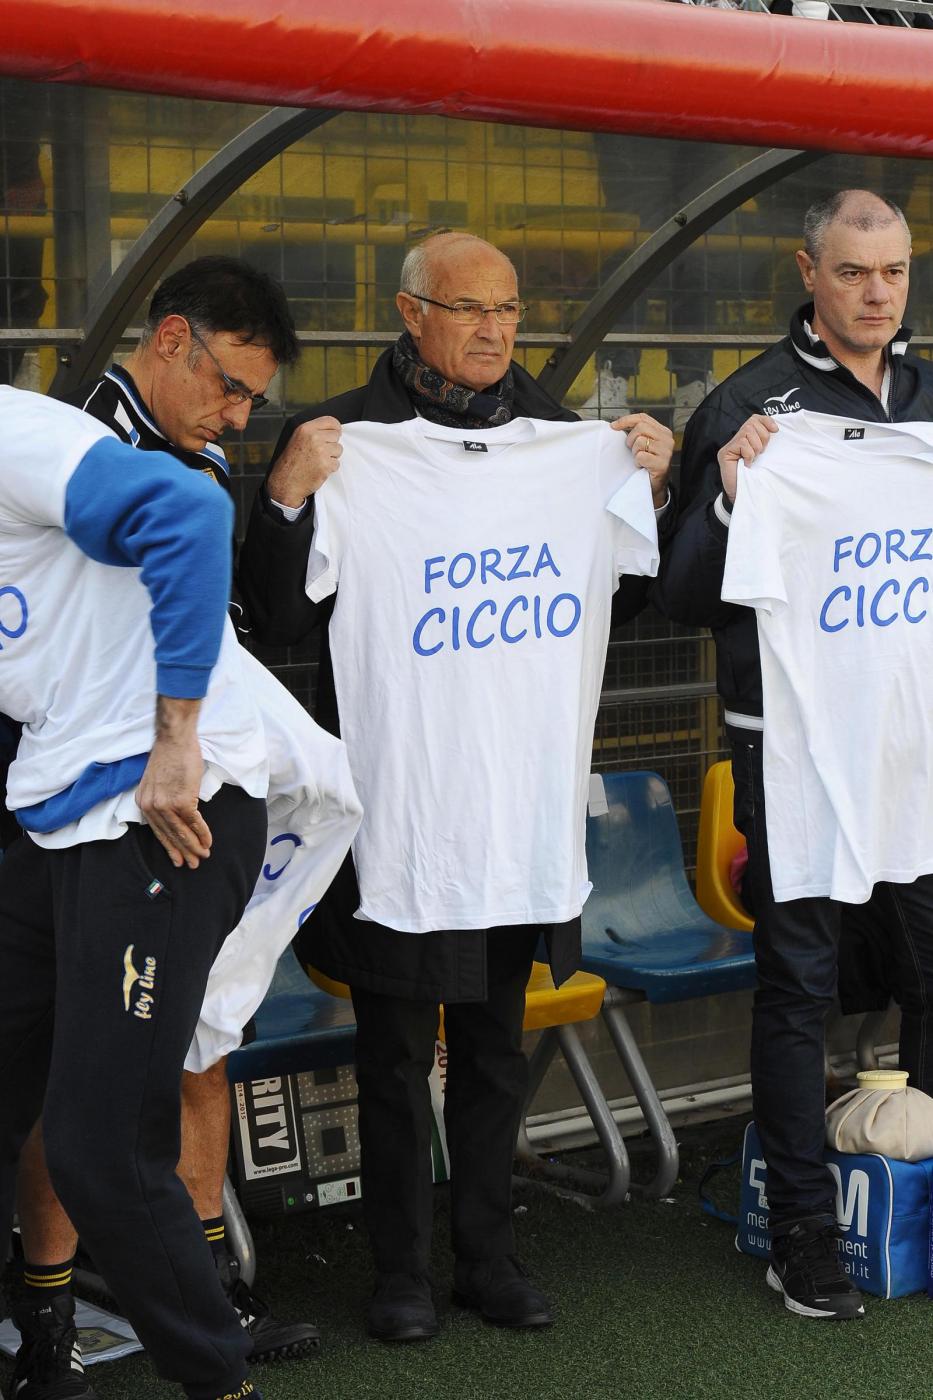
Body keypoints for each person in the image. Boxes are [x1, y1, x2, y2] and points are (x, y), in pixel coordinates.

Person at [238, 231, 675, 1343]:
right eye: (470, 308)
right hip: (404, 817)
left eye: (510, 310)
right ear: (410, 312)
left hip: (517, 815)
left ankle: (487, 1258)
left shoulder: (568, 445)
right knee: (391, 1056)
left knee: (491, 1048)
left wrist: (648, 484)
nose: (494, 330)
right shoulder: (347, 442)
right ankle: (399, 1273)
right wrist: (286, 498)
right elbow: (277, 620)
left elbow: (635, 593)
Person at [6, 258, 323, 1400]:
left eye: (248, 395)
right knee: (51, 1102)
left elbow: (188, 522)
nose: (237, 417)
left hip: (167, 801)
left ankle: (214, 1373)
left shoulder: (32, 437)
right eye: (233, 388)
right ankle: (44, 1337)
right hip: (58, 804)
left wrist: (177, 735)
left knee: (105, 1135)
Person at [653, 189, 933, 1320]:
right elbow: (677, 594)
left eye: (895, 271)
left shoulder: (928, 400)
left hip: (916, 743)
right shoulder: (747, 405)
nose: (877, 293)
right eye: (854, 271)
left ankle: (917, 1193)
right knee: (798, 987)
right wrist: (728, 495)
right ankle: (805, 1235)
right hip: (799, 750)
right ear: (807, 270)